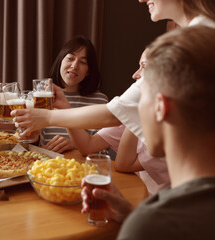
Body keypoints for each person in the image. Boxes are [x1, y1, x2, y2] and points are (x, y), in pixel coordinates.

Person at [11, 0, 215, 143]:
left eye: (82, 61)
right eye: (70, 59)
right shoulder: (199, 35)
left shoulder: (193, 44)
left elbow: (113, 114)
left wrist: (46, 118)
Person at [83, 25, 215, 239]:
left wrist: (140, 223)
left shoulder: (153, 225)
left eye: (139, 99)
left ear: (161, 107)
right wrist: (131, 214)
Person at [67, 48, 169, 195]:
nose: (135, 75)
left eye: (144, 67)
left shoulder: (168, 126)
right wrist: (64, 106)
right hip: (141, 195)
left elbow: (123, 165)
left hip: (166, 205)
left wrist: (135, 112)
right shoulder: (135, 113)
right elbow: (88, 146)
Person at [39, 36, 108, 153]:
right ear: (61, 61)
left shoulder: (100, 101)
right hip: (46, 165)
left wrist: (75, 144)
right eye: (70, 58)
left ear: (88, 71)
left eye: (82, 62)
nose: (74, 66)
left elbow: (103, 149)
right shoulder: (42, 96)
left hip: (83, 168)